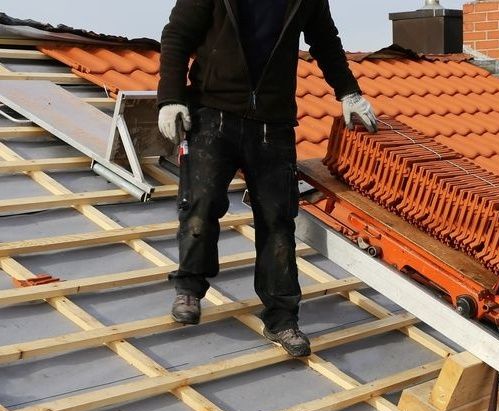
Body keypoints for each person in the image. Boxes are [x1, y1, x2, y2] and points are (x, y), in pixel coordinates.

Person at [157, 0, 377, 357]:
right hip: (213, 112)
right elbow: (177, 35)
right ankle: (189, 289)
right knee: (201, 203)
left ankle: (282, 318)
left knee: (278, 220)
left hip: (272, 122)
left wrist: (348, 92)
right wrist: (170, 97)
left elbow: (325, 40)